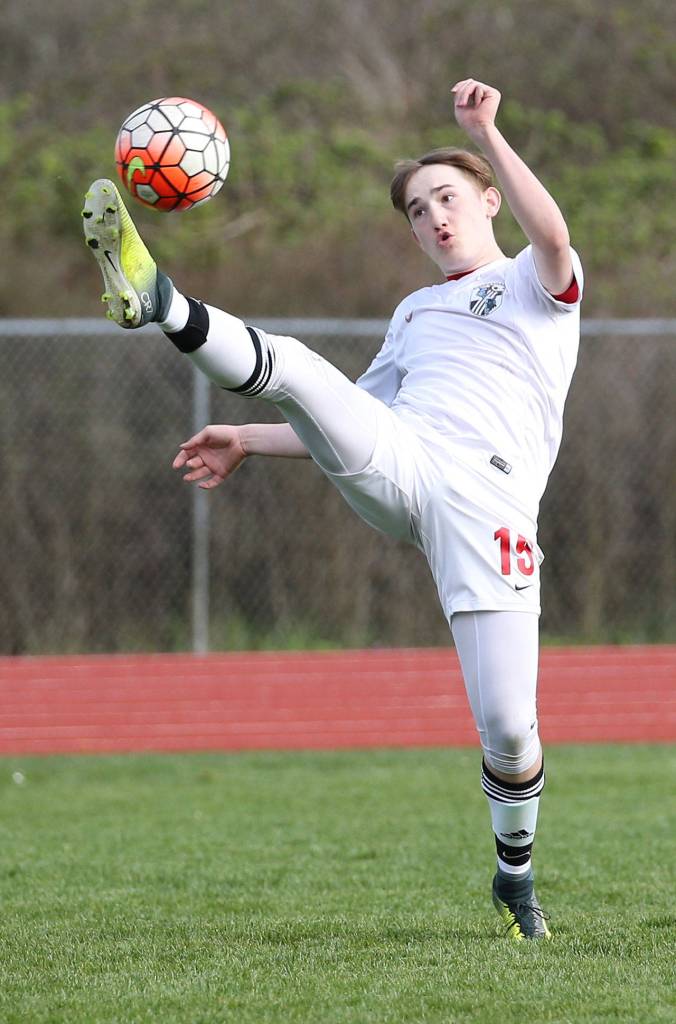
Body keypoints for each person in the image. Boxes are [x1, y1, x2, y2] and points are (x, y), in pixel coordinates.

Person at [83, 78, 582, 940]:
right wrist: (246, 433)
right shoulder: (415, 313)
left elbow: (556, 234)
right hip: (405, 459)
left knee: (507, 729)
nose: (433, 218)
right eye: (418, 210)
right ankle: (158, 299)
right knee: (303, 370)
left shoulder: (537, 284)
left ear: (488, 199)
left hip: (492, 505)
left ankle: (516, 880)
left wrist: (487, 132)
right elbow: (341, 415)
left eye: (447, 198)